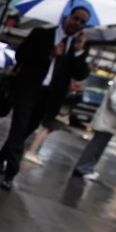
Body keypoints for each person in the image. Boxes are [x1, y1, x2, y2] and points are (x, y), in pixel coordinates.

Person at [0, 6, 91, 190]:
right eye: (76, 18)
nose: (77, 23)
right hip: (28, 90)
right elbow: (20, 54)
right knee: (19, 127)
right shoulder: (41, 34)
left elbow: (81, 74)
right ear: (68, 17)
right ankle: (11, 173)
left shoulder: (79, 47)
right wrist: (49, 54)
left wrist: (78, 53)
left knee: (25, 131)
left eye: (82, 22)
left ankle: (1, 156)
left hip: (49, 97)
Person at [22, 35, 87, 167]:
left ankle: (24, 150)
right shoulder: (55, 42)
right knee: (43, 126)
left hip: (55, 100)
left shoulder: (76, 54)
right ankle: (28, 151)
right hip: (43, 94)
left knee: (36, 126)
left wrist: (79, 51)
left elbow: (80, 73)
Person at [73, 57, 116, 181]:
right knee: (97, 144)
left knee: (99, 144)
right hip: (109, 119)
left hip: (109, 120)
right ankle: (83, 168)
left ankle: (87, 167)